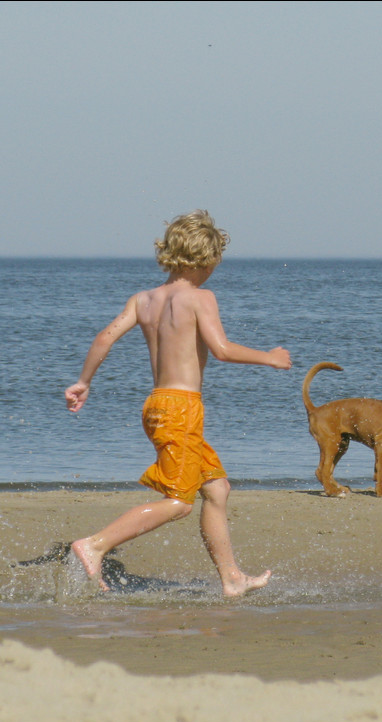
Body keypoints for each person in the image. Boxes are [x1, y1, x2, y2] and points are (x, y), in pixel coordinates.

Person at [65, 210, 291, 597]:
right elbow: (220, 349)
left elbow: (104, 338)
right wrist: (269, 357)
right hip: (181, 409)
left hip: (156, 405)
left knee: (216, 489)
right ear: (209, 260)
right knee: (178, 503)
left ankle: (232, 578)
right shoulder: (201, 297)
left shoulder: (143, 299)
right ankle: (95, 544)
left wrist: (84, 382)